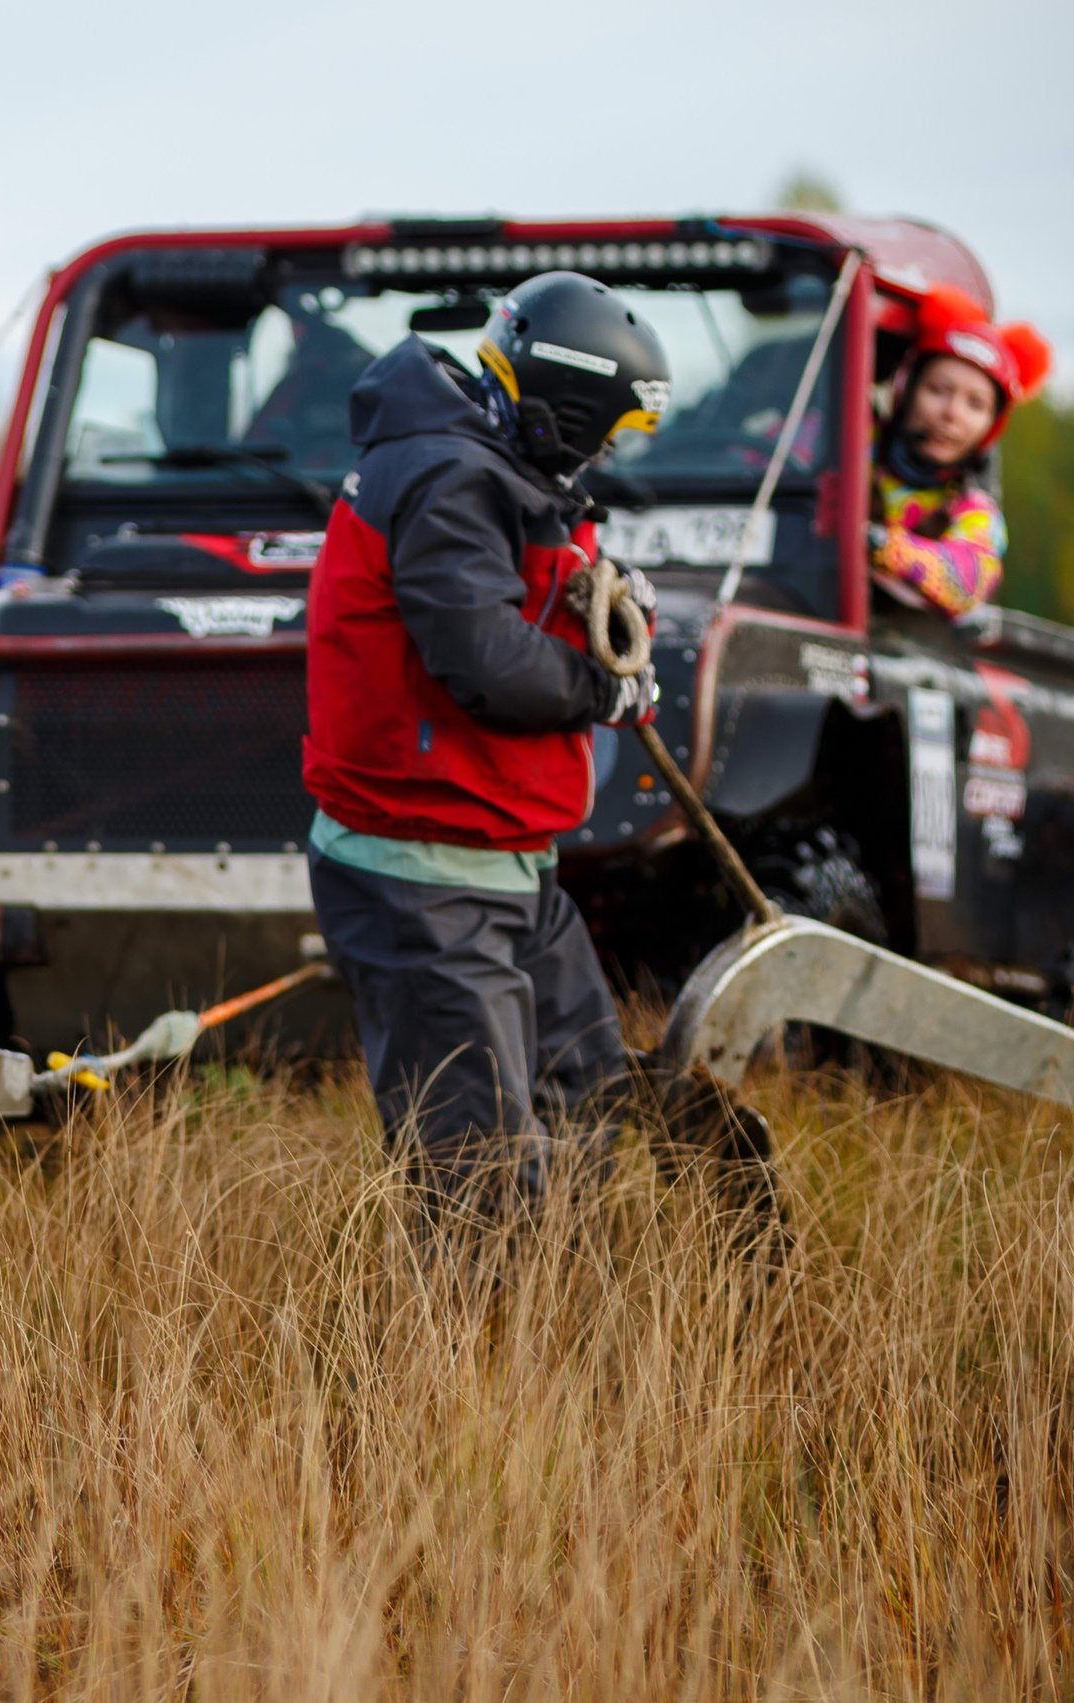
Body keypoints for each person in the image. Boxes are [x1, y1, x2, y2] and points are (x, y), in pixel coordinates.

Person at [302, 272, 668, 1222]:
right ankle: (462, 1361)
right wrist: (607, 688)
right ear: (564, 412)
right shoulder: (449, 476)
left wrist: (601, 599)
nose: (601, 460)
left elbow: (515, 603)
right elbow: (485, 662)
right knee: (480, 1179)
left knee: (585, 1097)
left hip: (502, 862)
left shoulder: (496, 468)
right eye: (605, 433)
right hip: (424, 872)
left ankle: (548, 1340)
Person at [871, 285, 1051, 619]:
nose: (952, 413)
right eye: (938, 390)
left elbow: (968, 579)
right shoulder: (852, 440)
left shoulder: (974, 511)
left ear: (992, 426)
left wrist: (885, 547)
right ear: (905, 390)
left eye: (975, 404)